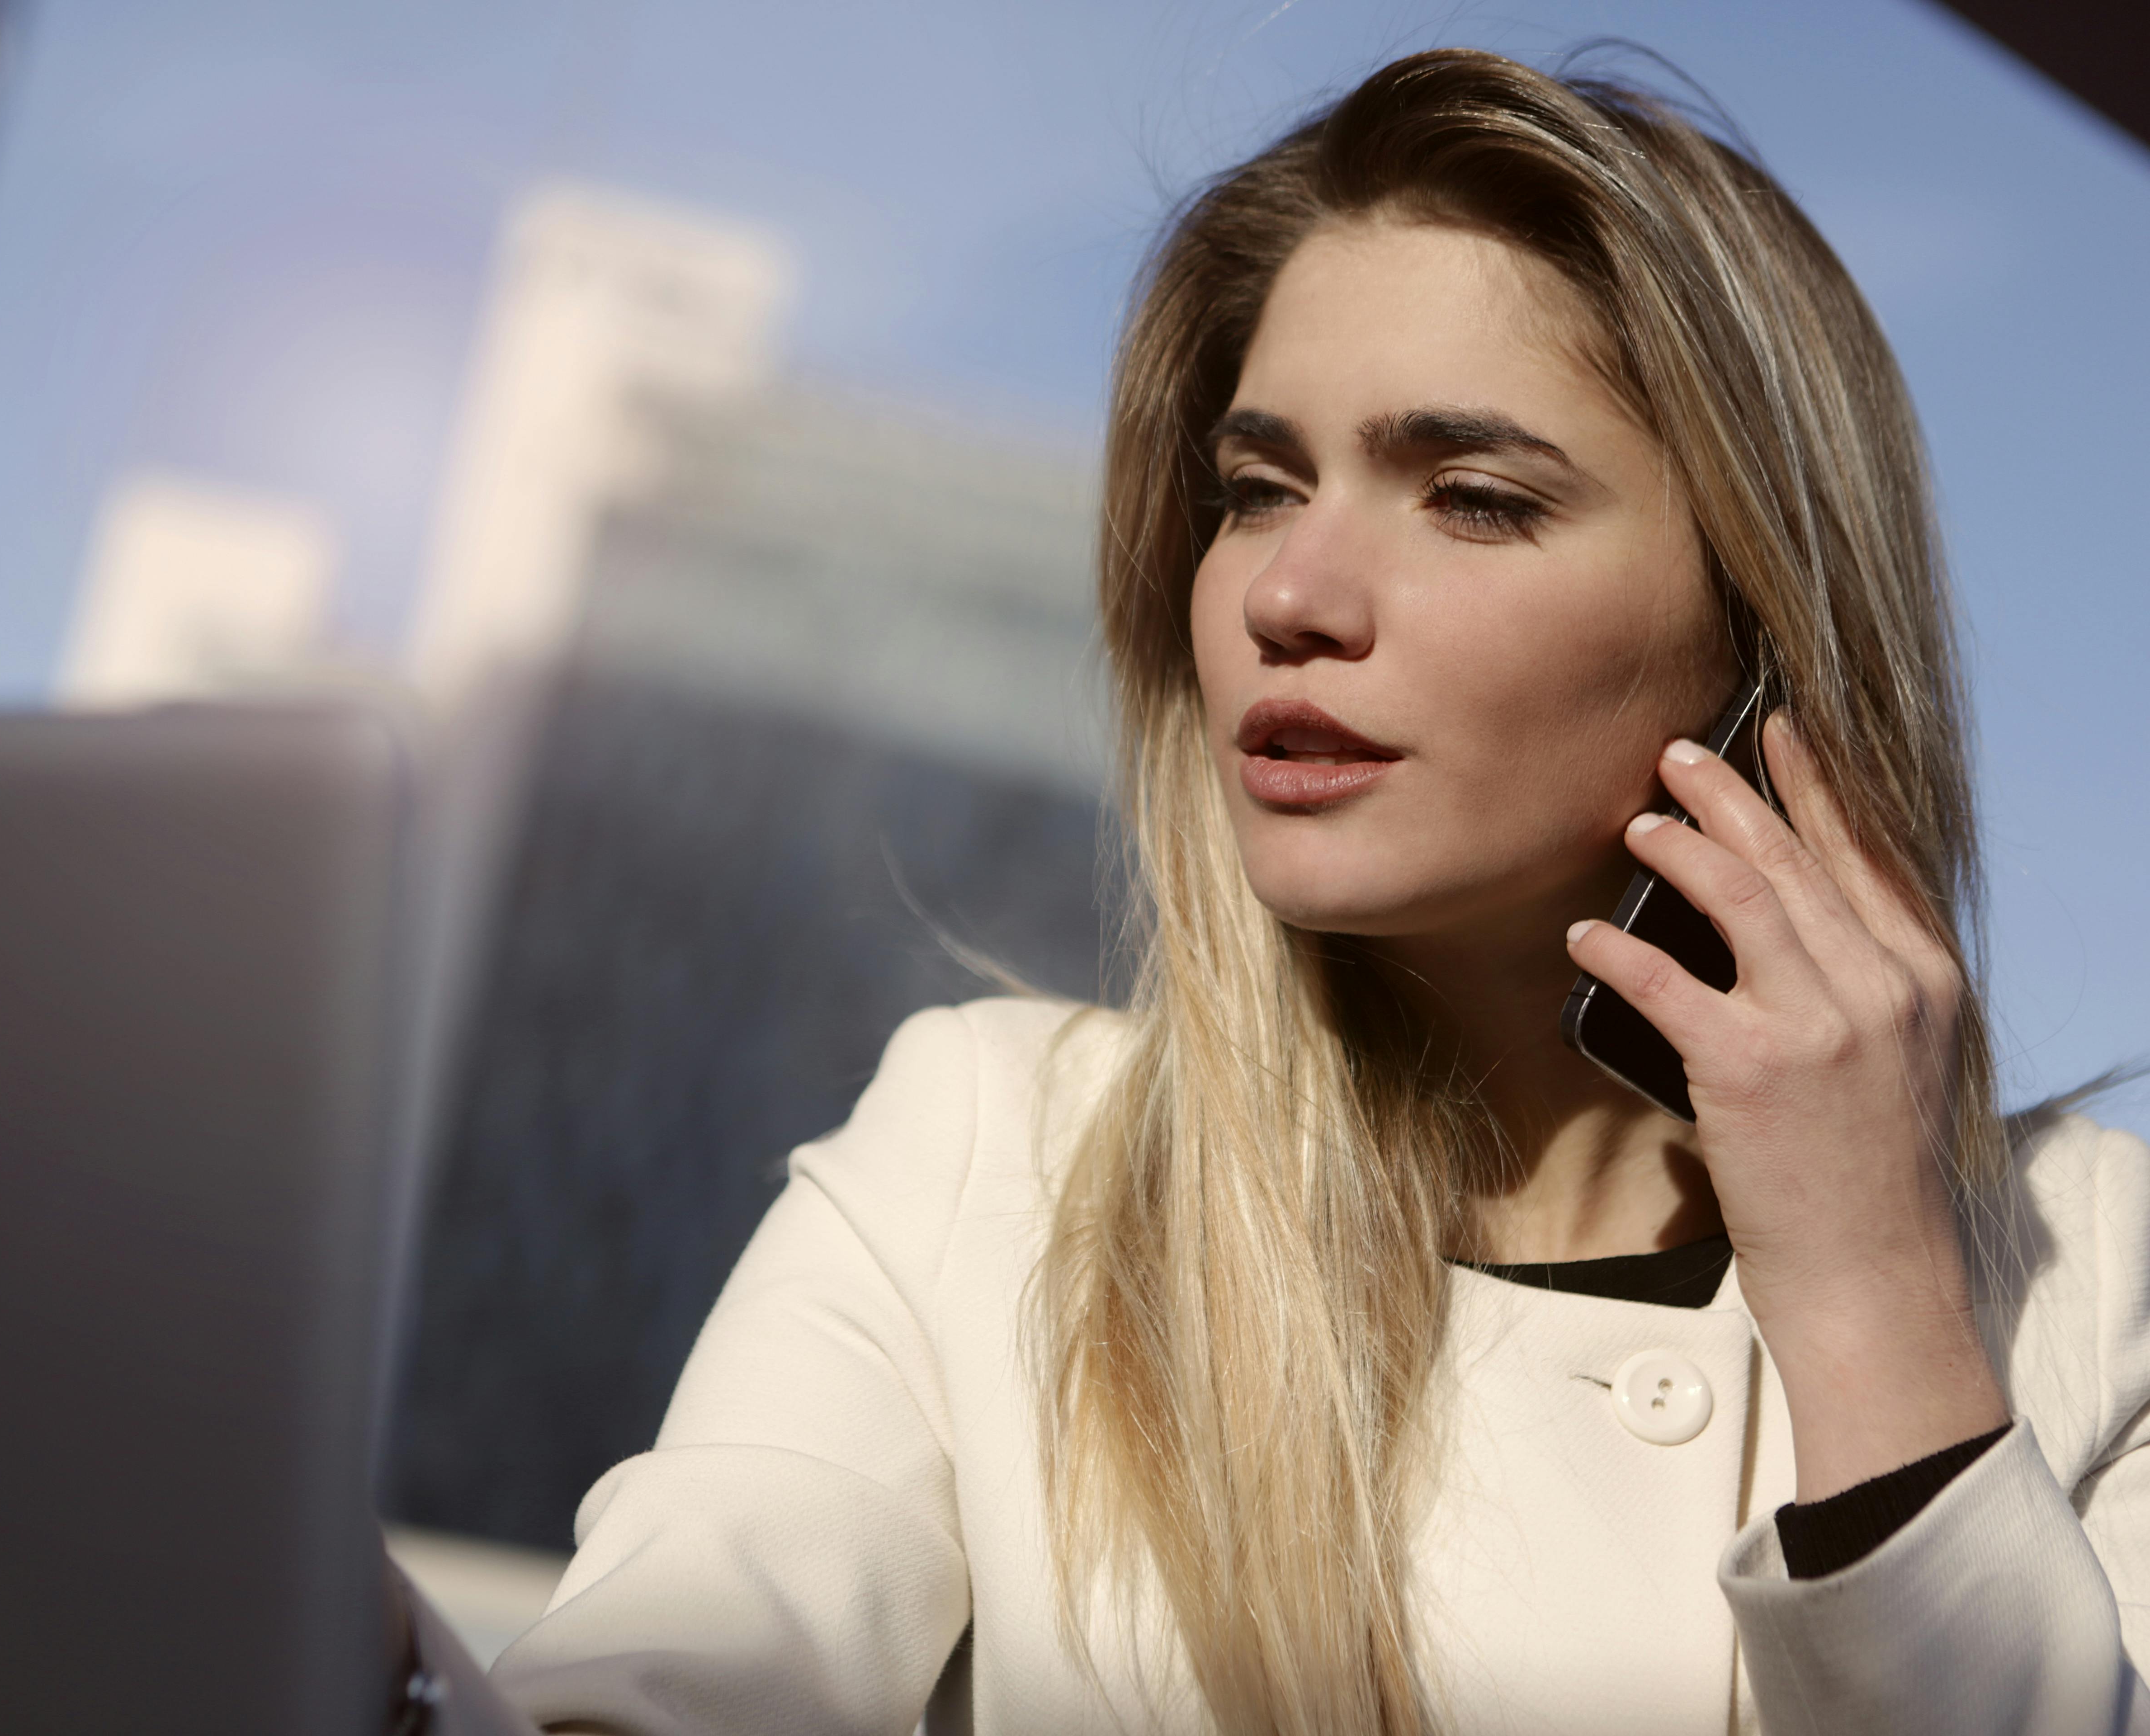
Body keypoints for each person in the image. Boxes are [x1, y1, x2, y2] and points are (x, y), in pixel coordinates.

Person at [417, 46, 2150, 1735]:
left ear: (1766, 640)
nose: (1290, 592)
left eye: (1472, 497)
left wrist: (1871, 1308)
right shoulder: (993, 1155)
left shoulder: (2096, 1277)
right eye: (1257, 489)